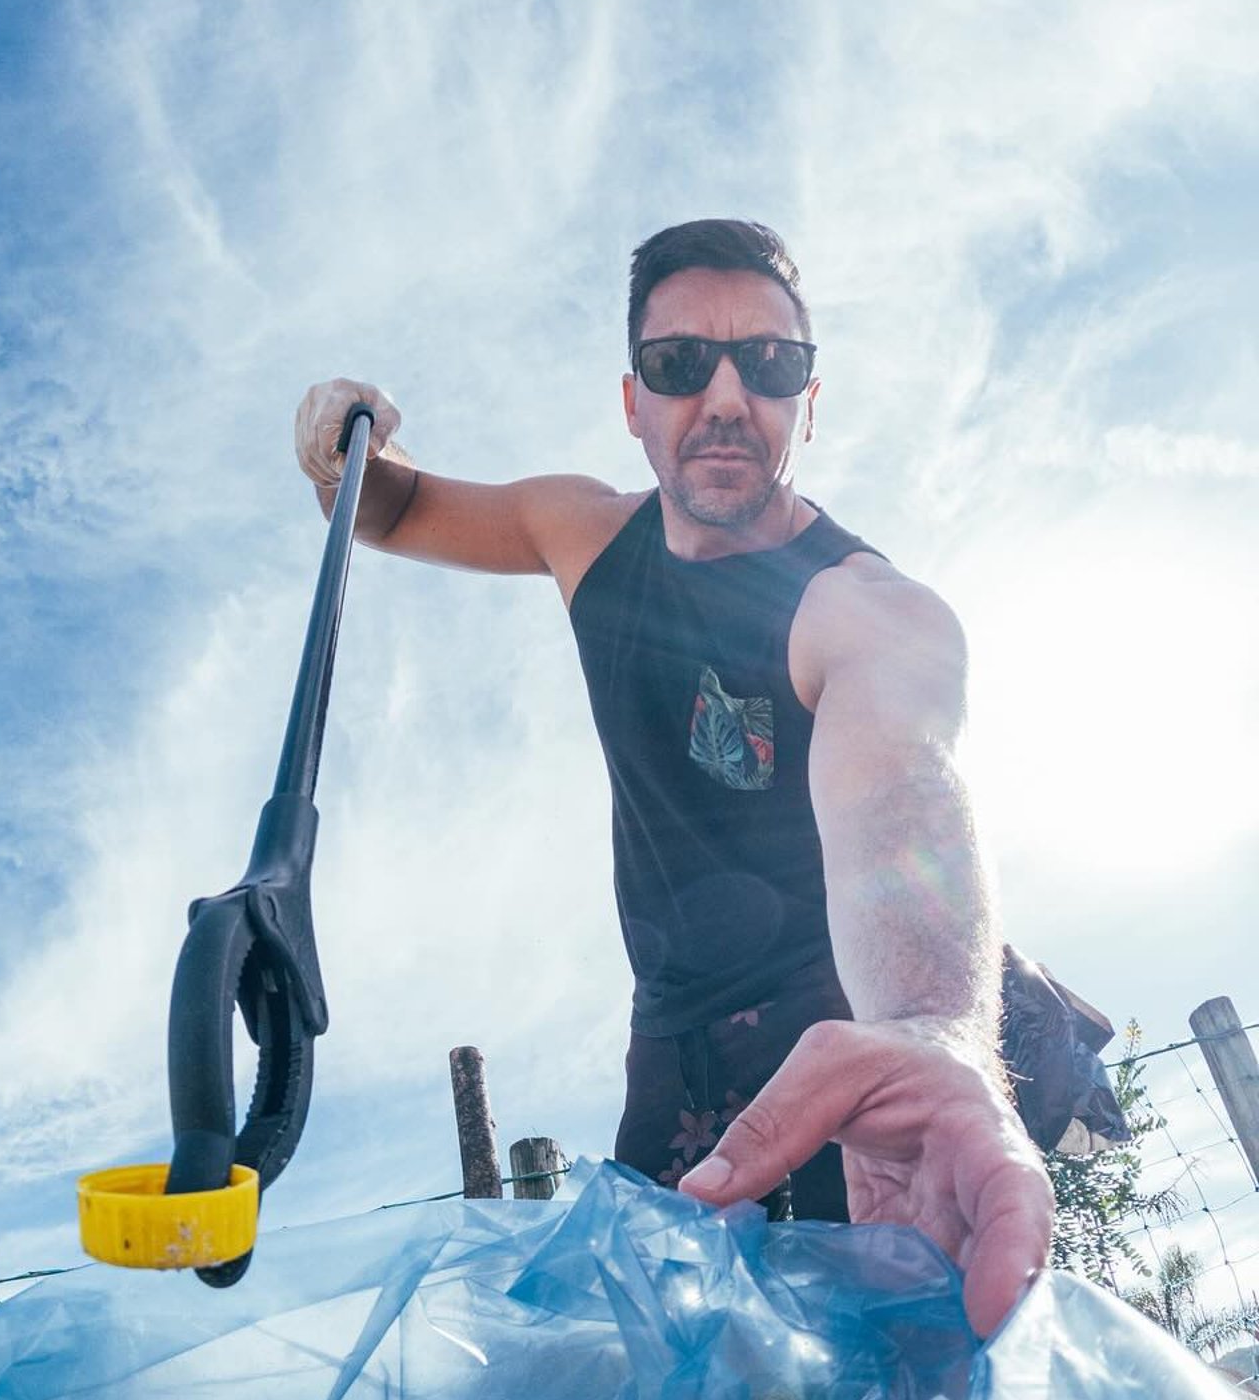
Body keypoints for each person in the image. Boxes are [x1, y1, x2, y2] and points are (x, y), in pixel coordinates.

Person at [293, 217, 1051, 1339]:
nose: (727, 395)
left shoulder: (864, 609)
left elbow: (903, 797)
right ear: (634, 402)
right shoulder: (580, 534)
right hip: (670, 1051)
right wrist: (333, 447)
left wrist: (931, 1029)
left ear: (809, 398)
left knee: (894, 1392)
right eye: (681, 364)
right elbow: (385, 508)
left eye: (771, 363)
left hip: (844, 1050)